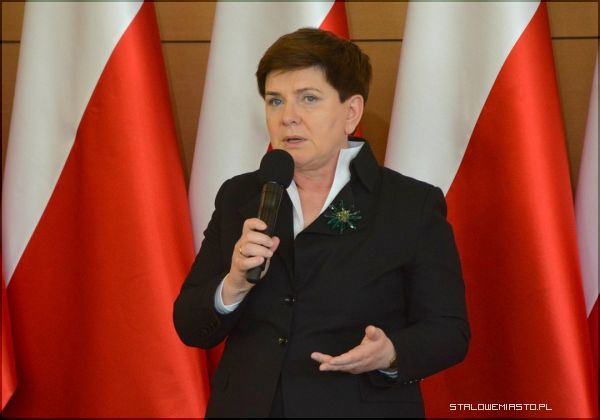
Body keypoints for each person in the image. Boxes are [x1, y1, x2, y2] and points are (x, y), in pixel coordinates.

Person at [174, 28, 469, 418]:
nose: (287, 117)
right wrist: (234, 283)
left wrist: (391, 353)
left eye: (308, 99)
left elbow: (449, 331)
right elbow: (190, 326)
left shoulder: (409, 204)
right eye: (275, 100)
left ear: (351, 112)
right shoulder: (240, 196)